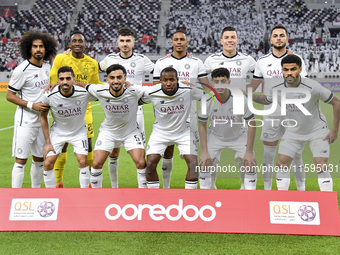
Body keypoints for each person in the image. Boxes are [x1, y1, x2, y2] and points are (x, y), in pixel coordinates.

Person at [252, 54, 340, 191]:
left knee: (321, 165)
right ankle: (282, 201)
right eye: (286, 70)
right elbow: (266, 100)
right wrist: (246, 94)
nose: (289, 73)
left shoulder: (312, 86)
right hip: (293, 131)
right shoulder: (277, 89)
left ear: (300, 69)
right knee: (281, 163)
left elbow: (336, 102)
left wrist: (334, 130)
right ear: (282, 70)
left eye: (293, 69)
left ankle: (327, 204)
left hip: (317, 130)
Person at [247, 24, 308, 191]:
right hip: (271, 115)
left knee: (296, 156)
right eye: (275, 35)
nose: (279, 38)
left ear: (287, 39)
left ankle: (301, 191)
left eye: (282, 35)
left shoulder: (298, 60)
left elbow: (307, 86)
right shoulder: (262, 62)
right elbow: (251, 87)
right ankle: (267, 191)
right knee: (268, 155)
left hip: (293, 115)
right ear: (271, 39)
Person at [152, 30, 210, 188]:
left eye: (182, 40)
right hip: (166, 115)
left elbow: (207, 88)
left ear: (187, 42)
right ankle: (165, 187)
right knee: (167, 151)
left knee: (191, 157)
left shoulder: (196, 62)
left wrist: (193, 85)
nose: (179, 42)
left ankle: (195, 191)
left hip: (189, 116)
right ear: (171, 42)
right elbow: (155, 88)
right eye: (176, 39)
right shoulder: (161, 63)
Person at [98, 27, 154, 188]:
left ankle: (142, 191)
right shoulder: (109, 59)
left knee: (139, 155)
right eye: (122, 40)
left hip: (137, 112)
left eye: (128, 40)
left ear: (133, 42)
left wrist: (142, 87)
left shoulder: (143, 60)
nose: (125, 44)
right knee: (114, 152)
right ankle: (114, 187)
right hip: (115, 111)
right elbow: (98, 71)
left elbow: (156, 74)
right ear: (118, 42)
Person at [204, 26, 256, 189]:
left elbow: (260, 74)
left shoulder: (248, 60)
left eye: (233, 37)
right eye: (226, 37)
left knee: (246, 158)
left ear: (237, 40)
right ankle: (211, 185)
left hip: (239, 115)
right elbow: (202, 79)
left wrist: (247, 92)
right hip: (218, 113)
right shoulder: (211, 60)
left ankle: (243, 185)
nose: (229, 40)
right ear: (221, 41)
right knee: (211, 159)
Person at [49, 30, 103, 187]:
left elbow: (94, 86)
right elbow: (53, 81)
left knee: (88, 145)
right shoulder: (61, 58)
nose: (78, 43)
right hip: (63, 109)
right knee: (62, 145)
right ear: (70, 44)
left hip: (84, 109)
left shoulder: (92, 63)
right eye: (75, 41)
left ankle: (91, 182)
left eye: (81, 41)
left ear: (85, 44)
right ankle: (58, 182)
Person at [141, 67, 208, 189]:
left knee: (193, 165)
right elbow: (135, 98)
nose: (168, 83)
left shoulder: (188, 89)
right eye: (165, 80)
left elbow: (207, 95)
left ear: (177, 80)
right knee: (150, 166)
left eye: (171, 80)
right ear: (160, 80)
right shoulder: (151, 92)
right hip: (160, 132)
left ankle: (189, 199)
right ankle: (154, 199)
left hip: (183, 131)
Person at [6, 30, 57, 188]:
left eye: (41, 46)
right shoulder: (21, 70)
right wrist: (31, 105)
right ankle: (16, 195)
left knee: (39, 159)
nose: (38, 49)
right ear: (29, 48)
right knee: (21, 160)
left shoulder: (47, 66)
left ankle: (35, 193)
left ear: (46, 48)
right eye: (35, 46)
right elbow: (9, 95)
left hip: (42, 121)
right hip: (25, 121)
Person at [84, 64, 147, 188]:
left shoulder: (135, 91)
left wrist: (181, 84)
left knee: (141, 163)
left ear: (125, 78)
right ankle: (99, 196)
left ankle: (143, 196)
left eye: (119, 77)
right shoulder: (100, 90)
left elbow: (157, 90)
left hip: (130, 132)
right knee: (96, 164)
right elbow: (83, 85)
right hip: (108, 133)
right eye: (112, 78)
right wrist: (55, 84)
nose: (116, 81)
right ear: (107, 80)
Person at [198, 68, 257, 190]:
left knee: (250, 163)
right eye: (217, 81)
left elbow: (252, 123)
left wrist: (249, 151)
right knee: (204, 163)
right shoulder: (206, 100)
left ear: (229, 82)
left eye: (223, 81)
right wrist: (204, 151)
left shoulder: (240, 99)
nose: (220, 85)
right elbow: (202, 124)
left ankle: (247, 191)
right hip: (215, 136)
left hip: (238, 136)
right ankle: (210, 188)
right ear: (212, 83)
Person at [41, 66, 97, 188]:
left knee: (83, 161)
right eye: (62, 79)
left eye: (68, 78)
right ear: (58, 80)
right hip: (58, 132)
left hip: (78, 131)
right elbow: (43, 116)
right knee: (48, 163)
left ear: (73, 79)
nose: (65, 82)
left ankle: (85, 194)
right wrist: (47, 142)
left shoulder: (84, 93)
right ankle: (50, 195)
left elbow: (103, 93)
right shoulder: (49, 95)